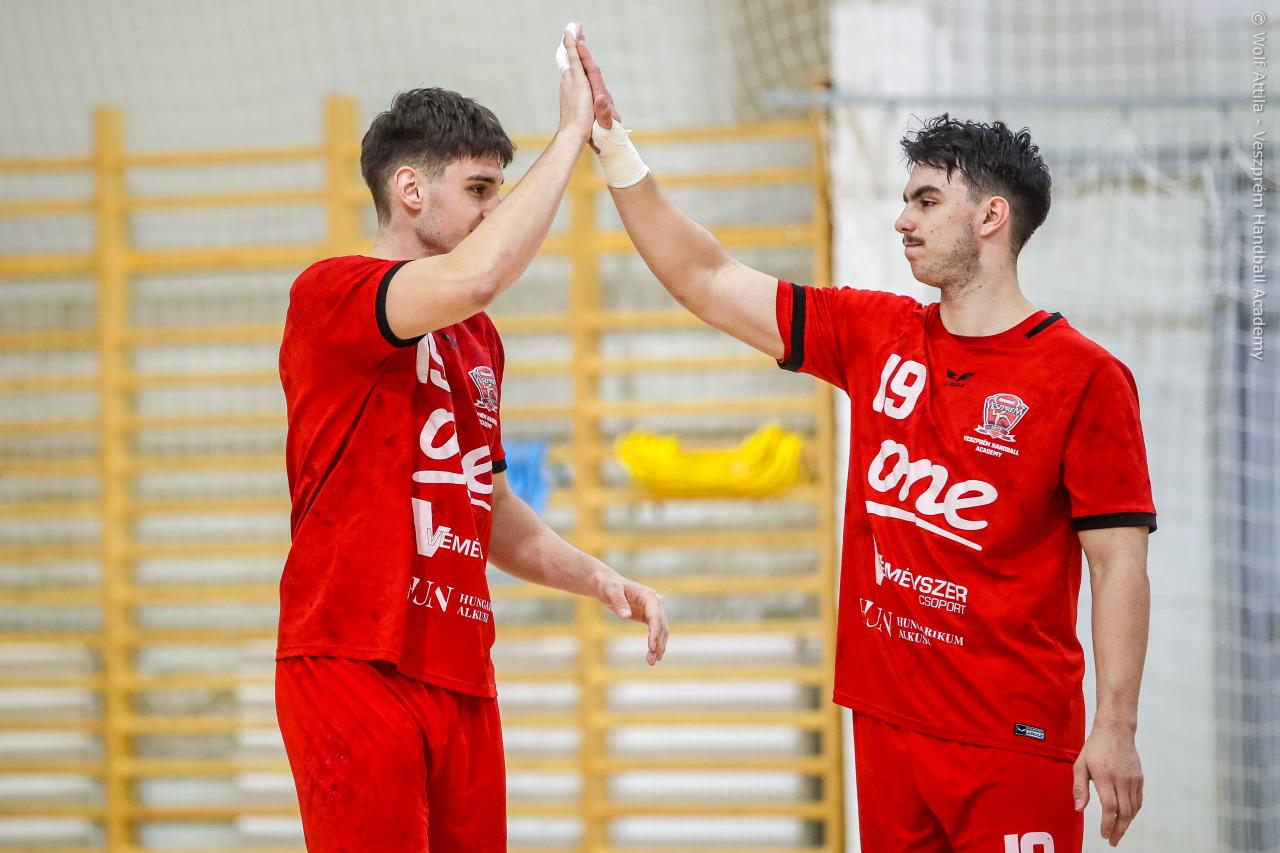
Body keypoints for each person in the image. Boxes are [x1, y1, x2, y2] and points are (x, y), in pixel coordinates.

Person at [574, 34, 1153, 853]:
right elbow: (706, 278)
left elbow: (1118, 562)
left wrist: (1117, 726)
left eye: (925, 200)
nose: (902, 219)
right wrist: (612, 144)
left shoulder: (1086, 377)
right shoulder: (875, 333)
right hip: (887, 727)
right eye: (905, 200)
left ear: (991, 216)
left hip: (1013, 739)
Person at [274, 25, 668, 852]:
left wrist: (598, 575)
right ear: (410, 190)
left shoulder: (477, 339)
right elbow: (479, 273)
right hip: (353, 657)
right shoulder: (331, 293)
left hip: (458, 669)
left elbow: (485, 503)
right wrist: (573, 134)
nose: (494, 208)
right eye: (480, 188)